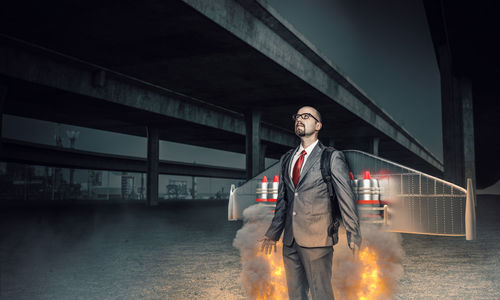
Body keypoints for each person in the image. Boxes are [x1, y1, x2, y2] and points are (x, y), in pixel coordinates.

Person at [259, 106, 362, 300]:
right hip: (290, 242)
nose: (299, 119)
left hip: (318, 240)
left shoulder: (331, 157)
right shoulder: (287, 158)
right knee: (295, 295)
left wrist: (353, 234)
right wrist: (273, 233)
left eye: (306, 116)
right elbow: (284, 200)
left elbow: (345, 198)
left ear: (318, 125)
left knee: (321, 294)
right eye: (297, 116)